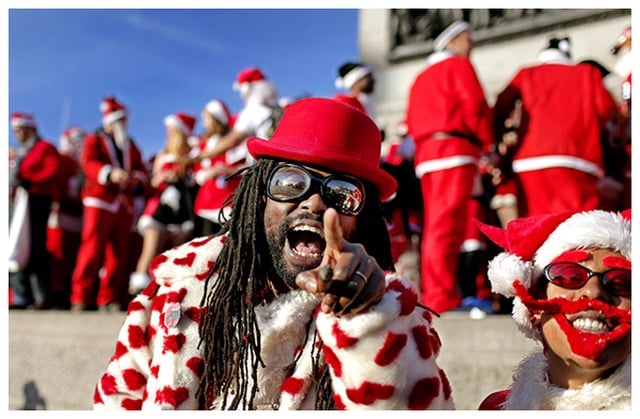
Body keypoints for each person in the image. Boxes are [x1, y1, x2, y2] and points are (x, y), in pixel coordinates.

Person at [93, 97, 455, 410]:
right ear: (258, 198)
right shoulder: (173, 295)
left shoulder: (399, 324)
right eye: (290, 182)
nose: (314, 202)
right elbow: (116, 400)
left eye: (342, 193)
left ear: (364, 222)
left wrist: (368, 324)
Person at [476, 209, 631, 409]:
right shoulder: (497, 408)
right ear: (534, 308)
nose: (594, 292)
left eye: (621, 282)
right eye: (570, 277)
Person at [405, 20, 494, 314]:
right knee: (448, 226)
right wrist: (489, 145)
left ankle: (437, 292)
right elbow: (475, 105)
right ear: (453, 42)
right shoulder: (458, 67)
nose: (473, 46)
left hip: (429, 154)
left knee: (436, 225)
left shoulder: (421, 77)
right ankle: (440, 296)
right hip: (455, 149)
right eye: (469, 39)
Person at [492, 36, 617, 218]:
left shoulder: (525, 74)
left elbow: (501, 105)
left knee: (536, 225)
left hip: (529, 161)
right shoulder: (587, 74)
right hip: (577, 158)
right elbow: (606, 109)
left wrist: (497, 138)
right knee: (577, 226)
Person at [70, 96, 149, 312]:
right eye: (119, 120)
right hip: (100, 201)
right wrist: (110, 173)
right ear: (109, 121)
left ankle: (108, 298)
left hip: (123, 203)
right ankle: (80, 296)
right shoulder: (94, 140)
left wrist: (136, 178)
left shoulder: (130, 145)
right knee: (91, 249)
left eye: (125, 120)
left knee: (118, 253)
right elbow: (89, 163)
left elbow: (142, 169)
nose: (123, 124)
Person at [129, 112, 199, 295]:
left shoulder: (191, 153)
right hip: (158, 209)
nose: (167, 133)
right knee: (151, 248)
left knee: (176, 253)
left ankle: (168, 293)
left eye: (171, 129)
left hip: (181, 212)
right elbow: (153, 183)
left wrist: (182, 176)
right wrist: (162, 177)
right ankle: (140, 292)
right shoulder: (163, 154)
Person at [8, 112, 61, 309]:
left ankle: (41, 295)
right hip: (18, 201)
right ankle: (20, 294)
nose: (17, 134)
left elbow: (52, 171)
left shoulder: (44, 148)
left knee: (35, 246)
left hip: (37, 200)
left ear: (30, 128)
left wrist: (31, 182)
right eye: (15, 131)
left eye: (20, 129)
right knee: (15, 246)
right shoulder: (19, 152)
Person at [183, 67, 280, 171]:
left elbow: (232, 140)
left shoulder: (252, 111)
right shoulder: (279, 107)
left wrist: (200, 157)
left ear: (246, 89)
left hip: (263, 166)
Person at [46, 126, 87, 309]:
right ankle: (56, 293)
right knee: (58, 255)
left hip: (79, 217)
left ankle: (67, 293)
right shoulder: (62, 160)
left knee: (73, 257)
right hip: (60, 215)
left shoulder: (83, 164)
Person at [192, 99, 239, 237]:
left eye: (206, 119)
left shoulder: (233, 142)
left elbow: (247, 167)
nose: (204, 123)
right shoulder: (204, 144)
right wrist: (205, 174)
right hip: (206, 202)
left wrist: (229, 170)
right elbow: (196, 171)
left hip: (228, 200)